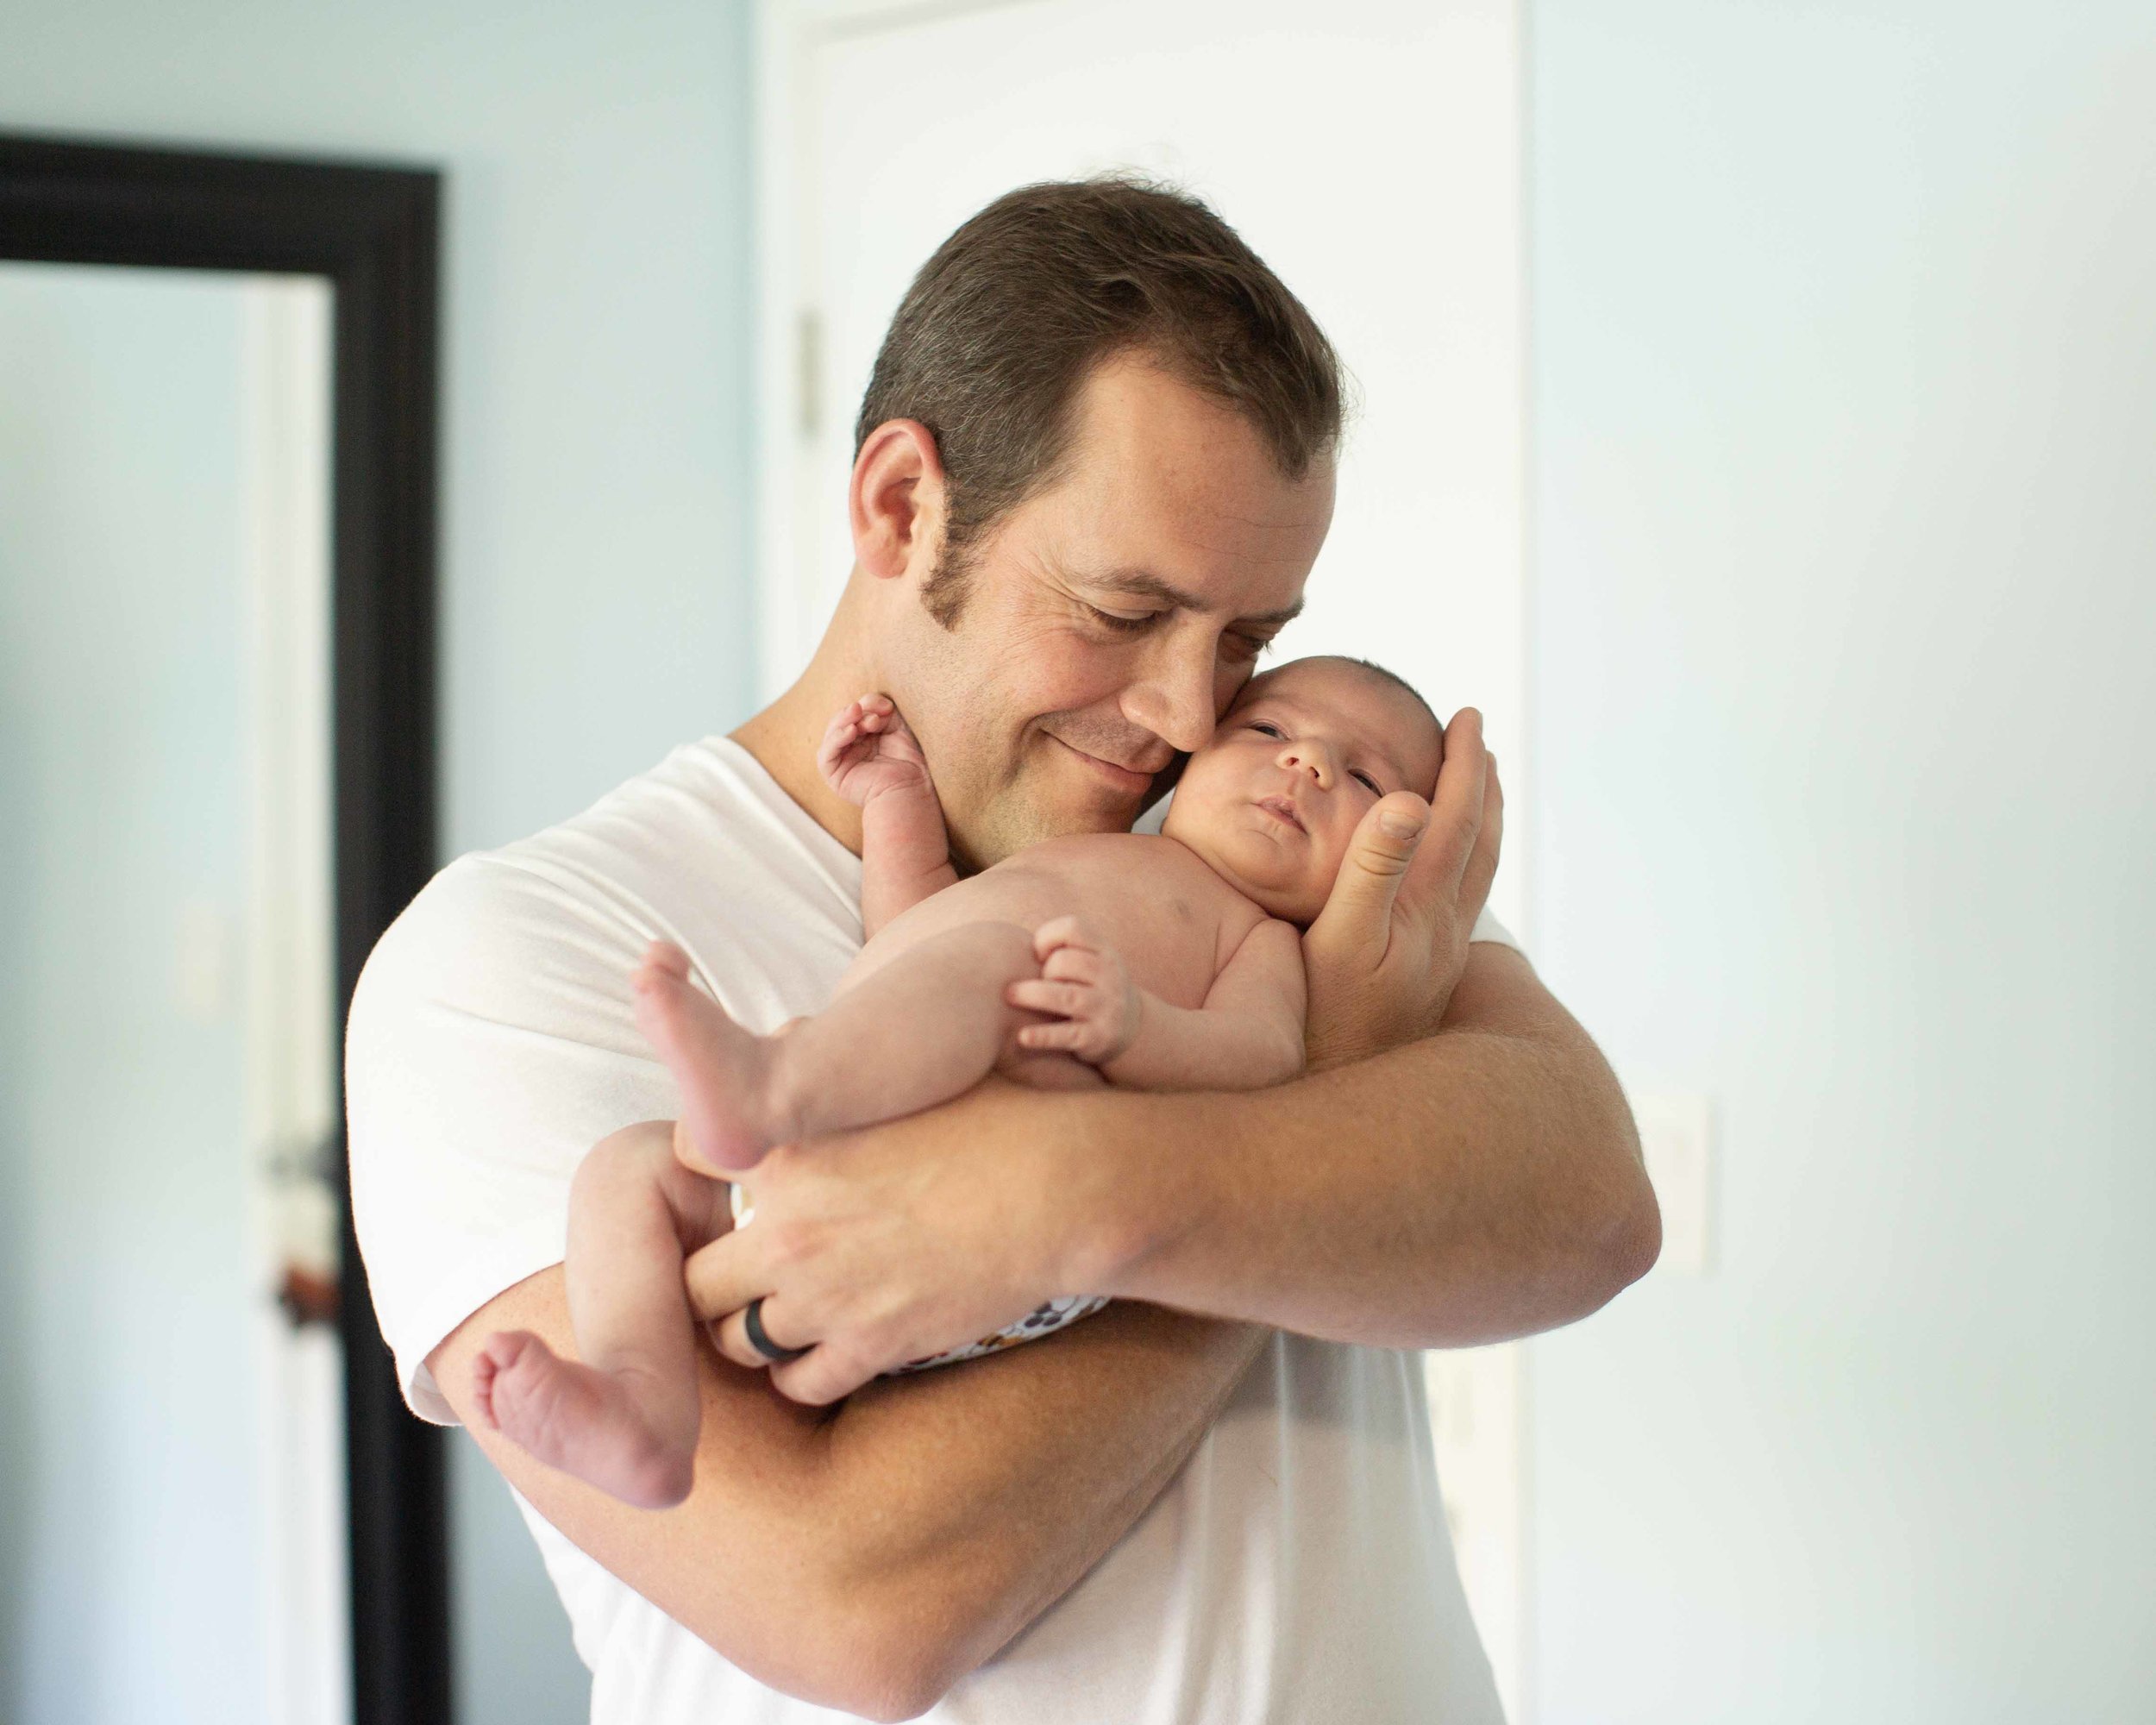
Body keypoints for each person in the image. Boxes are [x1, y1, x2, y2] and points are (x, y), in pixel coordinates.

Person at [347, 178, 1659, 1723]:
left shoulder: (1258, 841)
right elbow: (861, 1612)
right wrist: (1334, 1091)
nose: (1189, 713)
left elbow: (1585, 1201)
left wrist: (1080, 1199)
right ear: (904, 506)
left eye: (1245, 639)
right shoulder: (521, 957)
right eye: (1124, 609)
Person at [469, 655, 1447, 1508]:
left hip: (995, 1244)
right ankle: (641, 1407)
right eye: (1267, 728)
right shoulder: (1093, 854)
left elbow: (1264, 1054)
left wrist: (1139, 1028)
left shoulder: (1262, 937)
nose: (1305, 763)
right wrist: (895, 800)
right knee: (627, 1166)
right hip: (834, 1185)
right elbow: (913, 938)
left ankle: (768, 1088)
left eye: (1363, 775)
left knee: (991, 962)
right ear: (1192, 761)